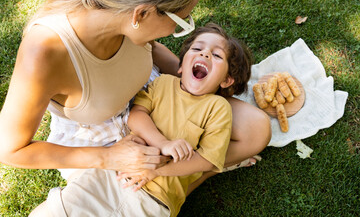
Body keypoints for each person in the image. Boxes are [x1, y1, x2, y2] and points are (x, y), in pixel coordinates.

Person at [0, 0, 270, 215]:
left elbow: (151, 48)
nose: (178, 30)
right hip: (101, 138)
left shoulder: (124, 12)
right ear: (140, 15)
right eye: (181, 21)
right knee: (126, 195)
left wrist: (190, 86)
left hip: (152, 95)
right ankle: (172, 183)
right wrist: (108, 159)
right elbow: (9, 151)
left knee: (255, 129)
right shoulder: (45, 51)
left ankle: (183, 178)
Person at [32, 23, 257, 216]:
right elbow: (137, 115)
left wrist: (155, 171)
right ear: (181, 65)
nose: (204, 54)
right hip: (112, 175)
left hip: (152, 201)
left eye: (216, 55)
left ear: (227, 80)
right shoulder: (162, 84)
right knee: (55, 211)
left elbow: (207, 159)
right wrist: (163, 144)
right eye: (197, 49)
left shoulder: (217, 108)